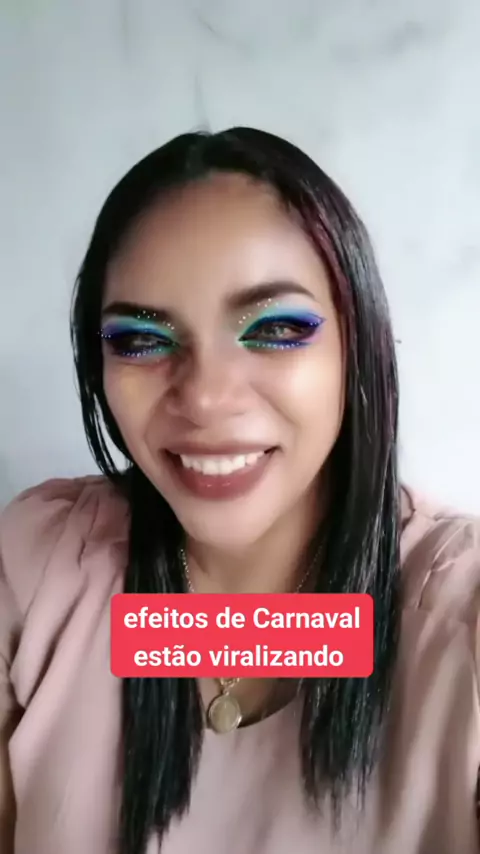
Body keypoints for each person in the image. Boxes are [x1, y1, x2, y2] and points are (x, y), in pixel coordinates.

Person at [0, 127, 479, 854]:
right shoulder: (37, 569)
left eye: (276, 328)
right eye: (141, 340)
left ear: (358, 344)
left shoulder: (460, 620)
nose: (205, 397)